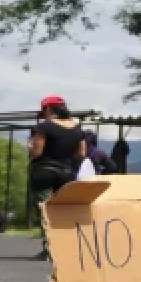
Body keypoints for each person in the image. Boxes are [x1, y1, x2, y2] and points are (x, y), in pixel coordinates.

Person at [29, 94, 86, 260]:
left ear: (48, 109)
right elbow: (81, 153)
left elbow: (37, 152)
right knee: (62, 210)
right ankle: (65, 248)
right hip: (66, 173)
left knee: (45, 210)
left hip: (44, 172)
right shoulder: (77, 128)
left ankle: (49, 249)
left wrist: (30, 148)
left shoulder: (44, 127)